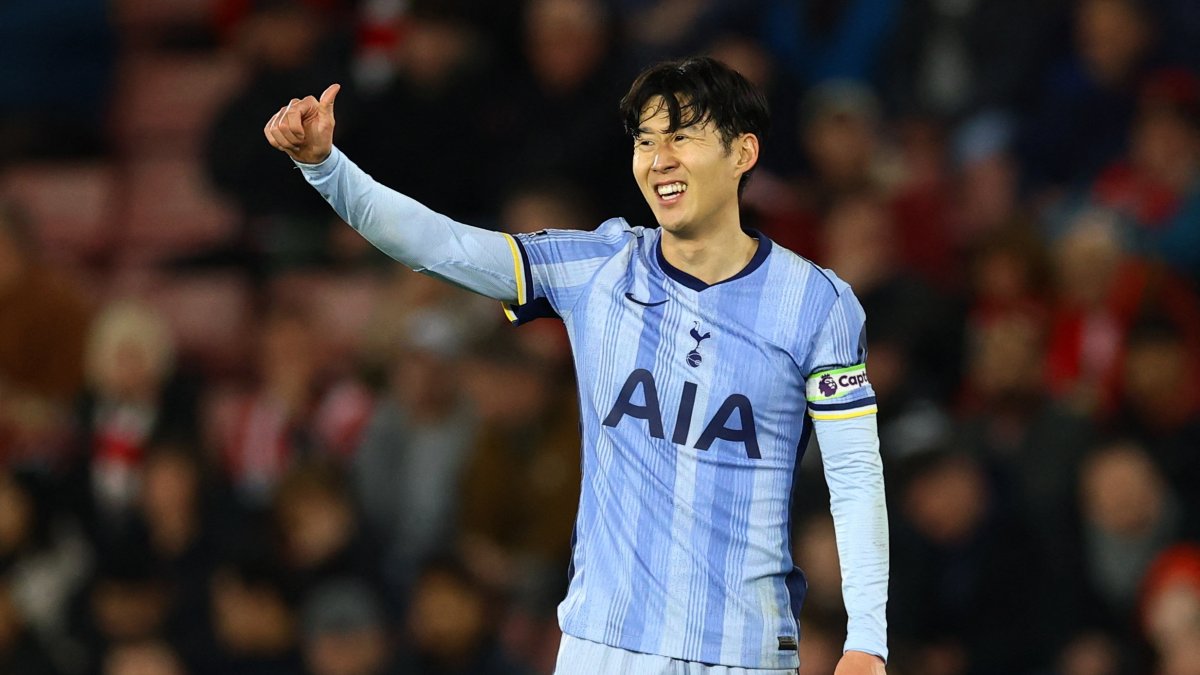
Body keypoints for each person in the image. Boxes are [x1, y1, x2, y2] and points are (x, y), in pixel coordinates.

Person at [264, 56, 889, 674]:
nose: (659, 159)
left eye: (682, 137)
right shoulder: (597, 268)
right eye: (646, 141)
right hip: (600, 648)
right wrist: (325, 168)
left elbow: (855, 474)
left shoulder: (817, 304)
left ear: (742, 153)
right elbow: (441, 245)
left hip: (741, 653)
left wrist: (866, 638)